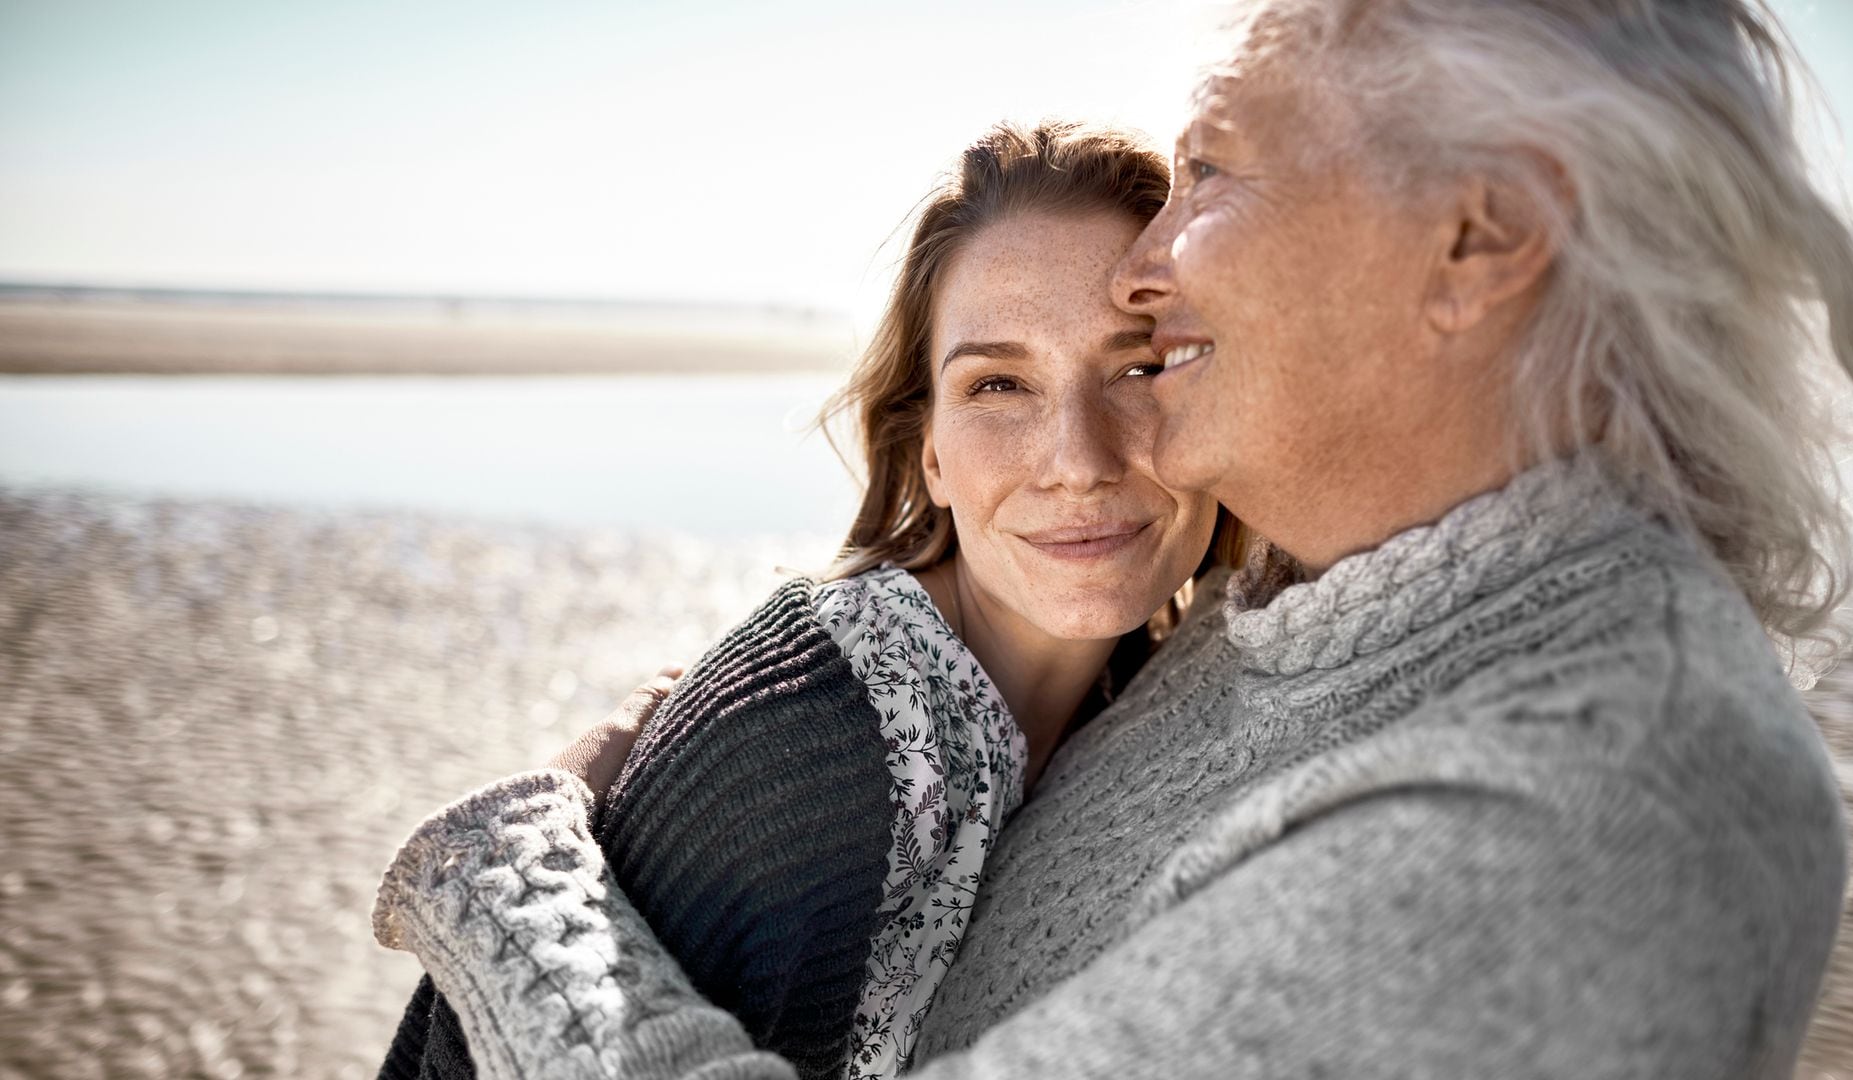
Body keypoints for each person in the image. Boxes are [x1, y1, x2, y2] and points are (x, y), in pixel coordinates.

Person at [371, 1, 1853, 1076]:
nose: (1155, 264)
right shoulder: (1317, 604)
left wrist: (513, 872)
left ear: (1481, 237)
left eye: (1218, 169)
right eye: (996, 382)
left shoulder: (1580, 797)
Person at [372, 120, 1232, 1080]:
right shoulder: (818, 740)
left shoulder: (1138, 685)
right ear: (931, 454)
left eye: (1140, 367)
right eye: (999, 383)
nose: (1078, 459)